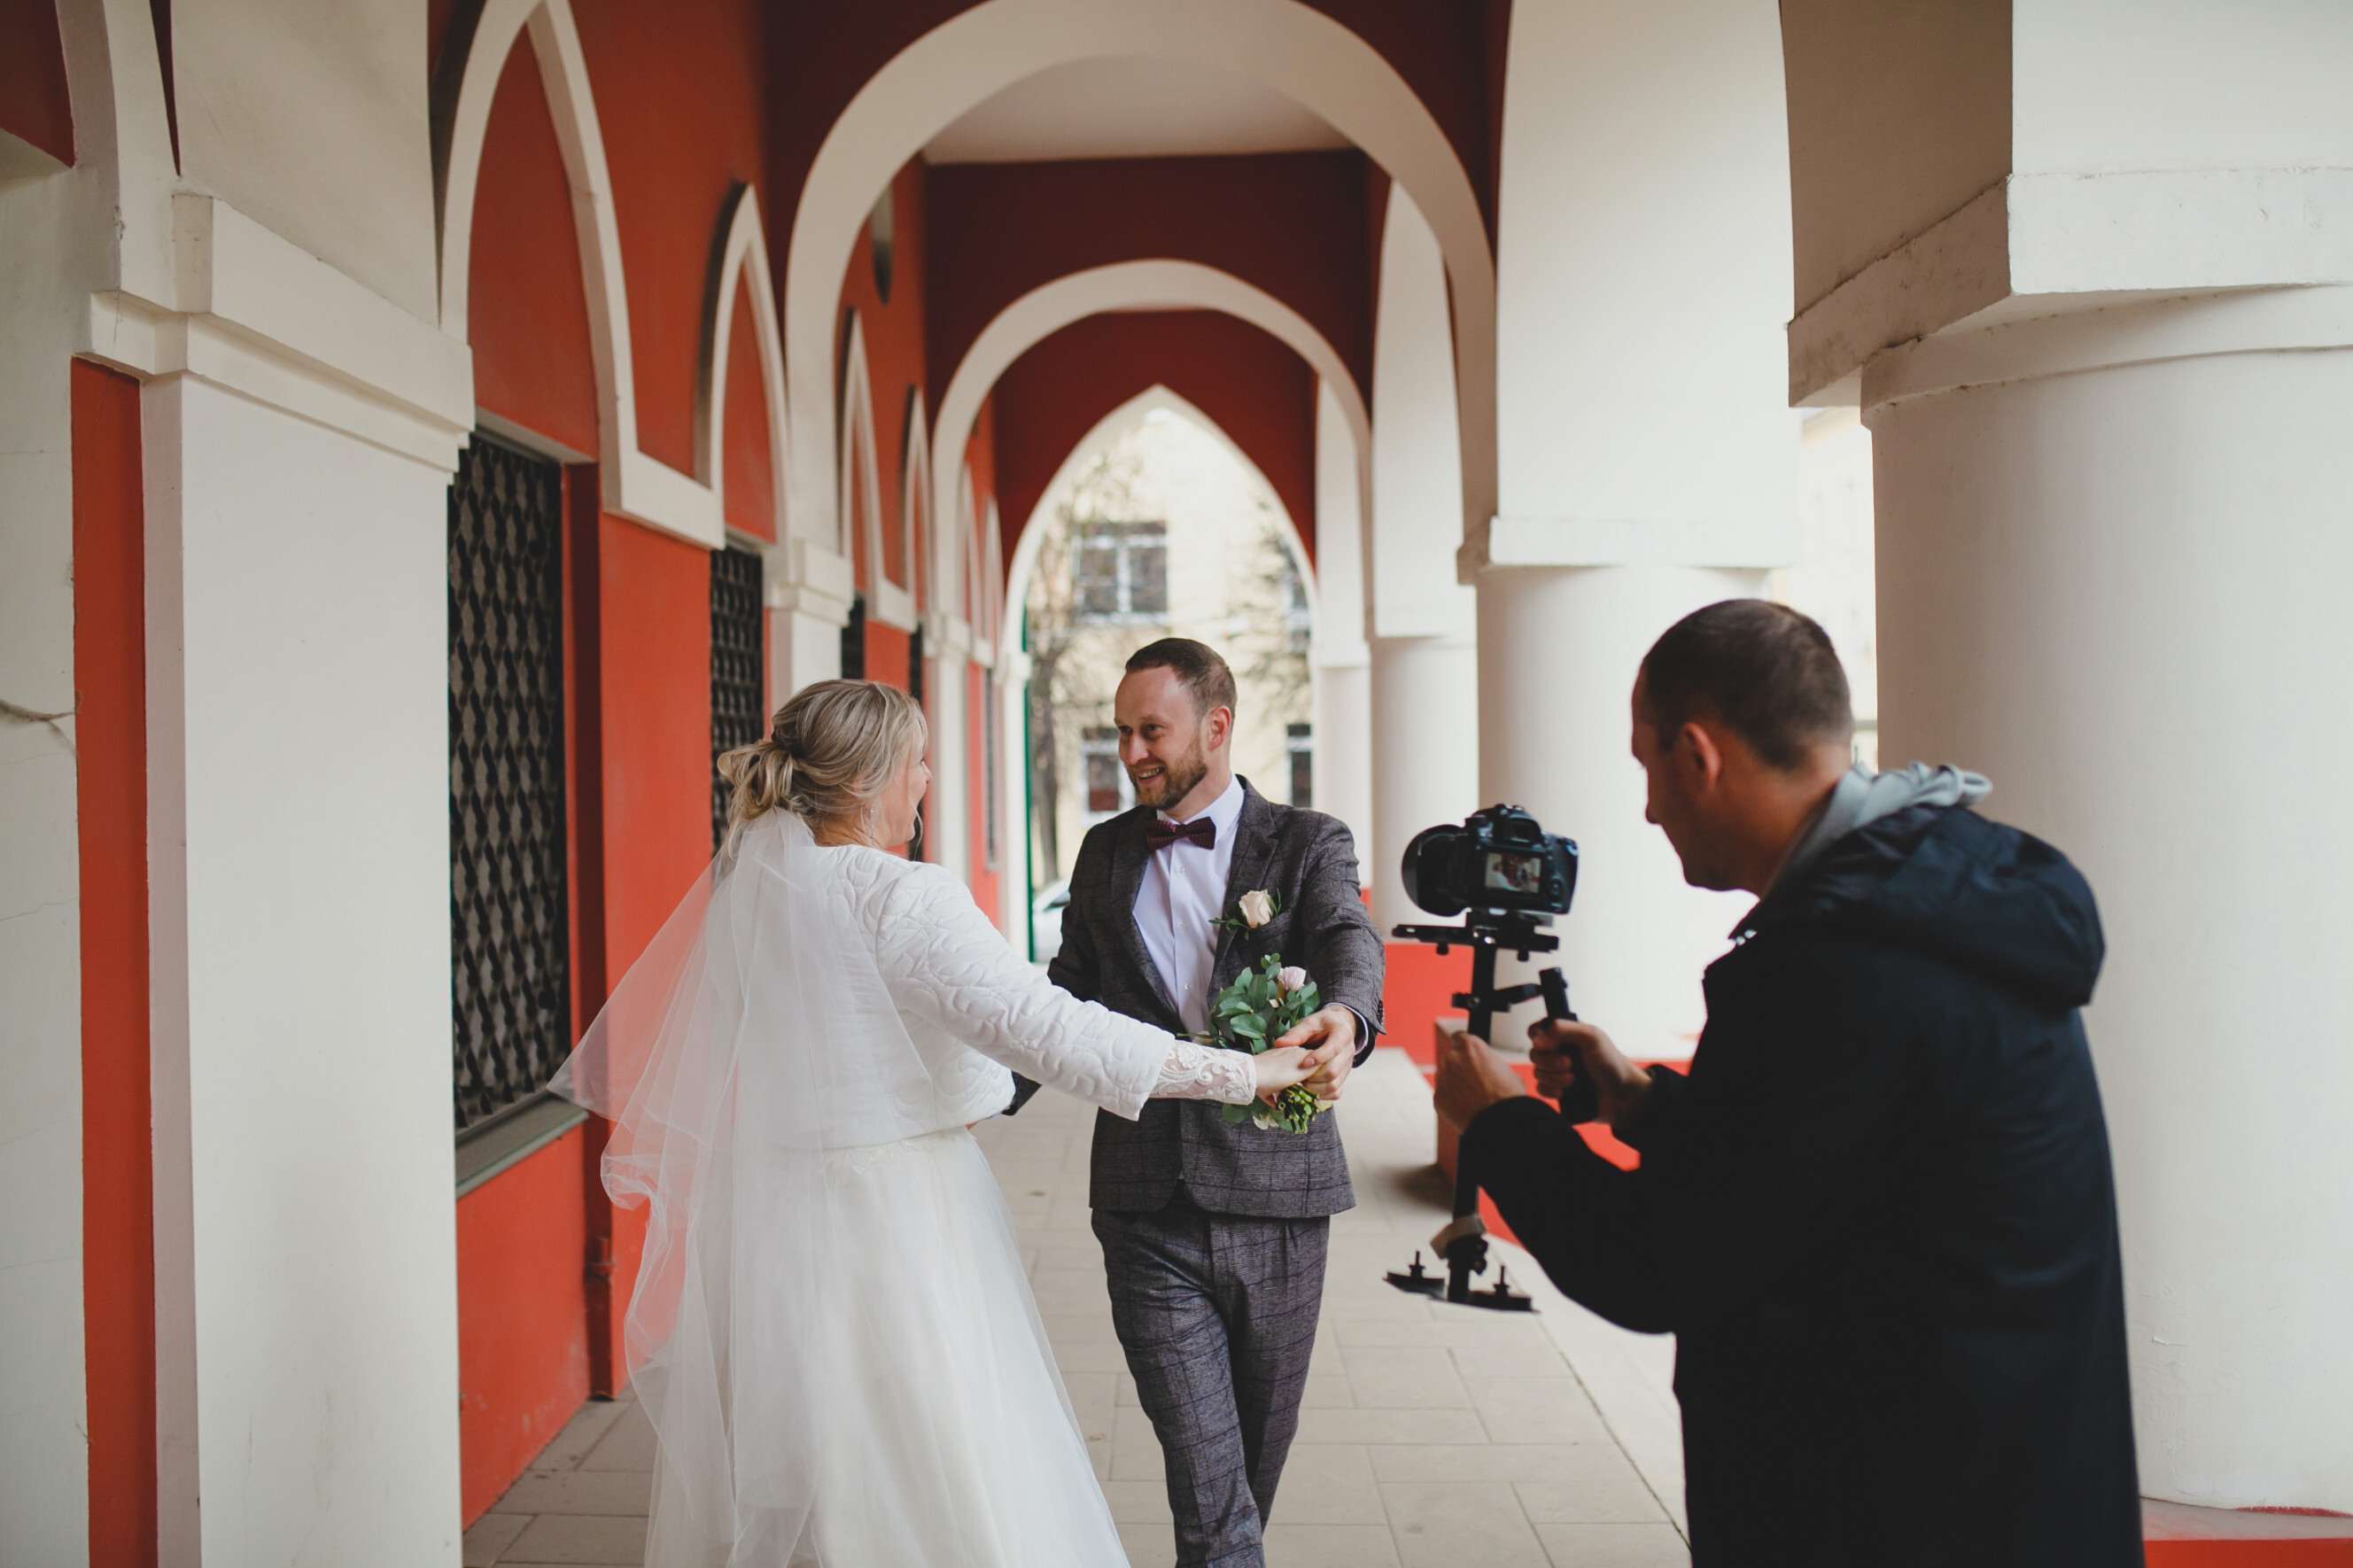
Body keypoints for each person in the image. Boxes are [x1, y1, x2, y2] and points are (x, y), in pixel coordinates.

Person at [549, 679, 1341, 1567]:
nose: (927, 779)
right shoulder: (905, 897)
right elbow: (1054, 1031)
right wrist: (1247, 1072)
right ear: (870, 778)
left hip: (768, 1213)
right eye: (919, 760)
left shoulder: (750, 890)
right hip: (897, 1221)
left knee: (812, 1459)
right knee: (940, 1461)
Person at [1432, 601, 2141, 1567]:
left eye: (1646, 768)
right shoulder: (1934, 902)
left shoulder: (1830, 969)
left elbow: (1662, 1261)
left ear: (1698, 754)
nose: (1646, 807)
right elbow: (1825, 1167)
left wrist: (1502, 1120)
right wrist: (1639, 1101)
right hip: (2006, 1482)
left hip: (1892, 1507)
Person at [1015, 638, 1385, 1568]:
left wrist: (1345, 1014)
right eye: (1121, 733)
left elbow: (1346, 934)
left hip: (1279, 1202)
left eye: (1151, 730)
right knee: (1209, 1495)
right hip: (1143, 1204)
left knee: (1248, 1479)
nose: (1131, 751)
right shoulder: (1101, 855)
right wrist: (971, 1087)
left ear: (1216, 728)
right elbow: (1063, 1001)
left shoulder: (1306, 842)